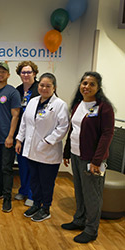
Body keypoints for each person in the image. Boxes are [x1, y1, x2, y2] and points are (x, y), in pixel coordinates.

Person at [61, 72, 114, 244]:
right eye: (84, 83)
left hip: (92, 159)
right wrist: (67, 152)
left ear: (98, 88)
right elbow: (73, 131)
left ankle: (91, 230)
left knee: (92, 195)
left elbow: (107, 135)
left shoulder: (104, 107)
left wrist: (96, 161)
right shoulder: (78, 105)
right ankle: (79, 220)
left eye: (92, 84)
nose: (87, 87)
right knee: (80, 191)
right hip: (77, 156)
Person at [15, 73, 69, 222]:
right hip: (32, 150)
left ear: (54, 87)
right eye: (42, 85)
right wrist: (19, 139)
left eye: (48, 86)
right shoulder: (32, 101)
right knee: (34, 181)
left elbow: (63, 127)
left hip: (48, 152)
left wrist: (47, 141)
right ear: (38, 86)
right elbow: (25, 123)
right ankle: (36, 204)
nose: (44, 88)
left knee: (46, 182)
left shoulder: (59, 105)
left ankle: (46, 208)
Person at [0, 62, 21, 212]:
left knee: (7, 168)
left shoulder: (12, 92)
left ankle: (7, 199)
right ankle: (0, 191)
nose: (0, 74)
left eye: (3, 72)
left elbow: (16, 116)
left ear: (8, 75)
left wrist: (10, 136)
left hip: (6, 138)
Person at [14, 61, 40, 207]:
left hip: (35, 135)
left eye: (29, 72)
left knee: (33, 166)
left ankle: (32, 194)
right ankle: (23, 190)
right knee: (22, 164)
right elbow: (7, 104)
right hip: (21, 135)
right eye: (23, 72)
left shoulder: (40, 89)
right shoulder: (17, 91)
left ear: (34, 73)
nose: (26, 75)